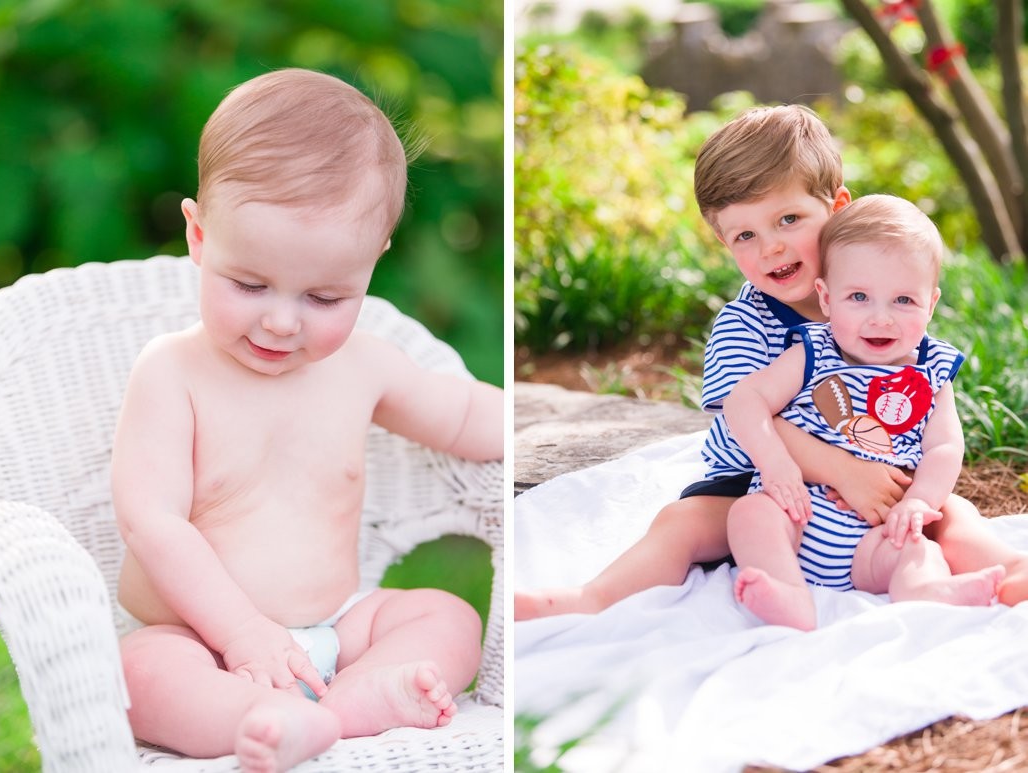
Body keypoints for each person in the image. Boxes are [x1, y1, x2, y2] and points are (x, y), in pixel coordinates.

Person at [112, 69, 503, 772]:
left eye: (324, 296)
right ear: (199, 236)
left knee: (447, 616)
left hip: (336, 624)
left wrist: (528, 417)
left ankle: (346, 703)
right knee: (139, 675)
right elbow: (152, 520)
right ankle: (264, 717)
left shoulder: (366, 365)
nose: (282, 321)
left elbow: (467, 413)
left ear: (370, 266)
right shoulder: (171, 372)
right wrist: (240, 632)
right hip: (199, 639)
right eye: (249, 284)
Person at [515, 104, 1028, 622]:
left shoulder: (878, 298)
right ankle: (592, 599)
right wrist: (845, 471)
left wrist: (907, 491)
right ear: (723, 242)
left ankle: (1009, 572)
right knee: (683, 523)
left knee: (951, 515)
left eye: (788, 218)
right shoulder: (748, 323)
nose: (772, 246)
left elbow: (926, 414)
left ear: (837, 207)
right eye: (745, 236)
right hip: (760, 482)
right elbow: (747, 417)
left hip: (875, 490)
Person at [724, 194, 1005, 630]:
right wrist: (775, 464)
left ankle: (925, 590)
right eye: (859, 297)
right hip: (798, 514)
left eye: (903, 301)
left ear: (930, 304)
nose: (881, 318)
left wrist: (917, 504)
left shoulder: (932, 370)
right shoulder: (814, 351)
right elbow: (744, 400)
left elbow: (945, 446)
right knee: (749, 515)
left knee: (917, 548)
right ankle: (788, 592)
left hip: (877, 535)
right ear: (827, 298)